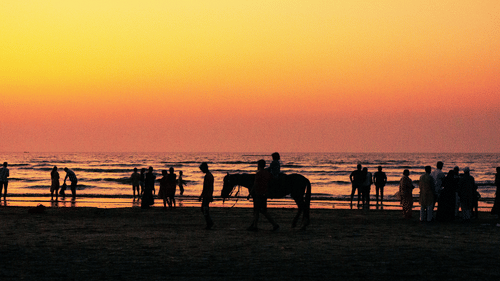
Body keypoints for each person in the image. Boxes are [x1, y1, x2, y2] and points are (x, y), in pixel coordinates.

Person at [247, 159, 280, 231]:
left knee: (260, 211)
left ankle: (274, 224)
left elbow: (255, 184)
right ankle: (255, 226)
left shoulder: (258, 174)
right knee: (259, 210)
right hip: (264, 194)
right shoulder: (267, 173)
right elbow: (271, 182)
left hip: (258, 194)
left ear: (259, 165)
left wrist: (250, 193)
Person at [199, 162, 214, 230]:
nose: (201, 171)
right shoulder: (210, 175)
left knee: (204, 209)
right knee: (205, 209)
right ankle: (209, 222)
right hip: (208, 194)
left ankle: (209, 223)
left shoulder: (208, 176)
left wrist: (201, 195)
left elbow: (206, 187)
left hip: (206, 195)